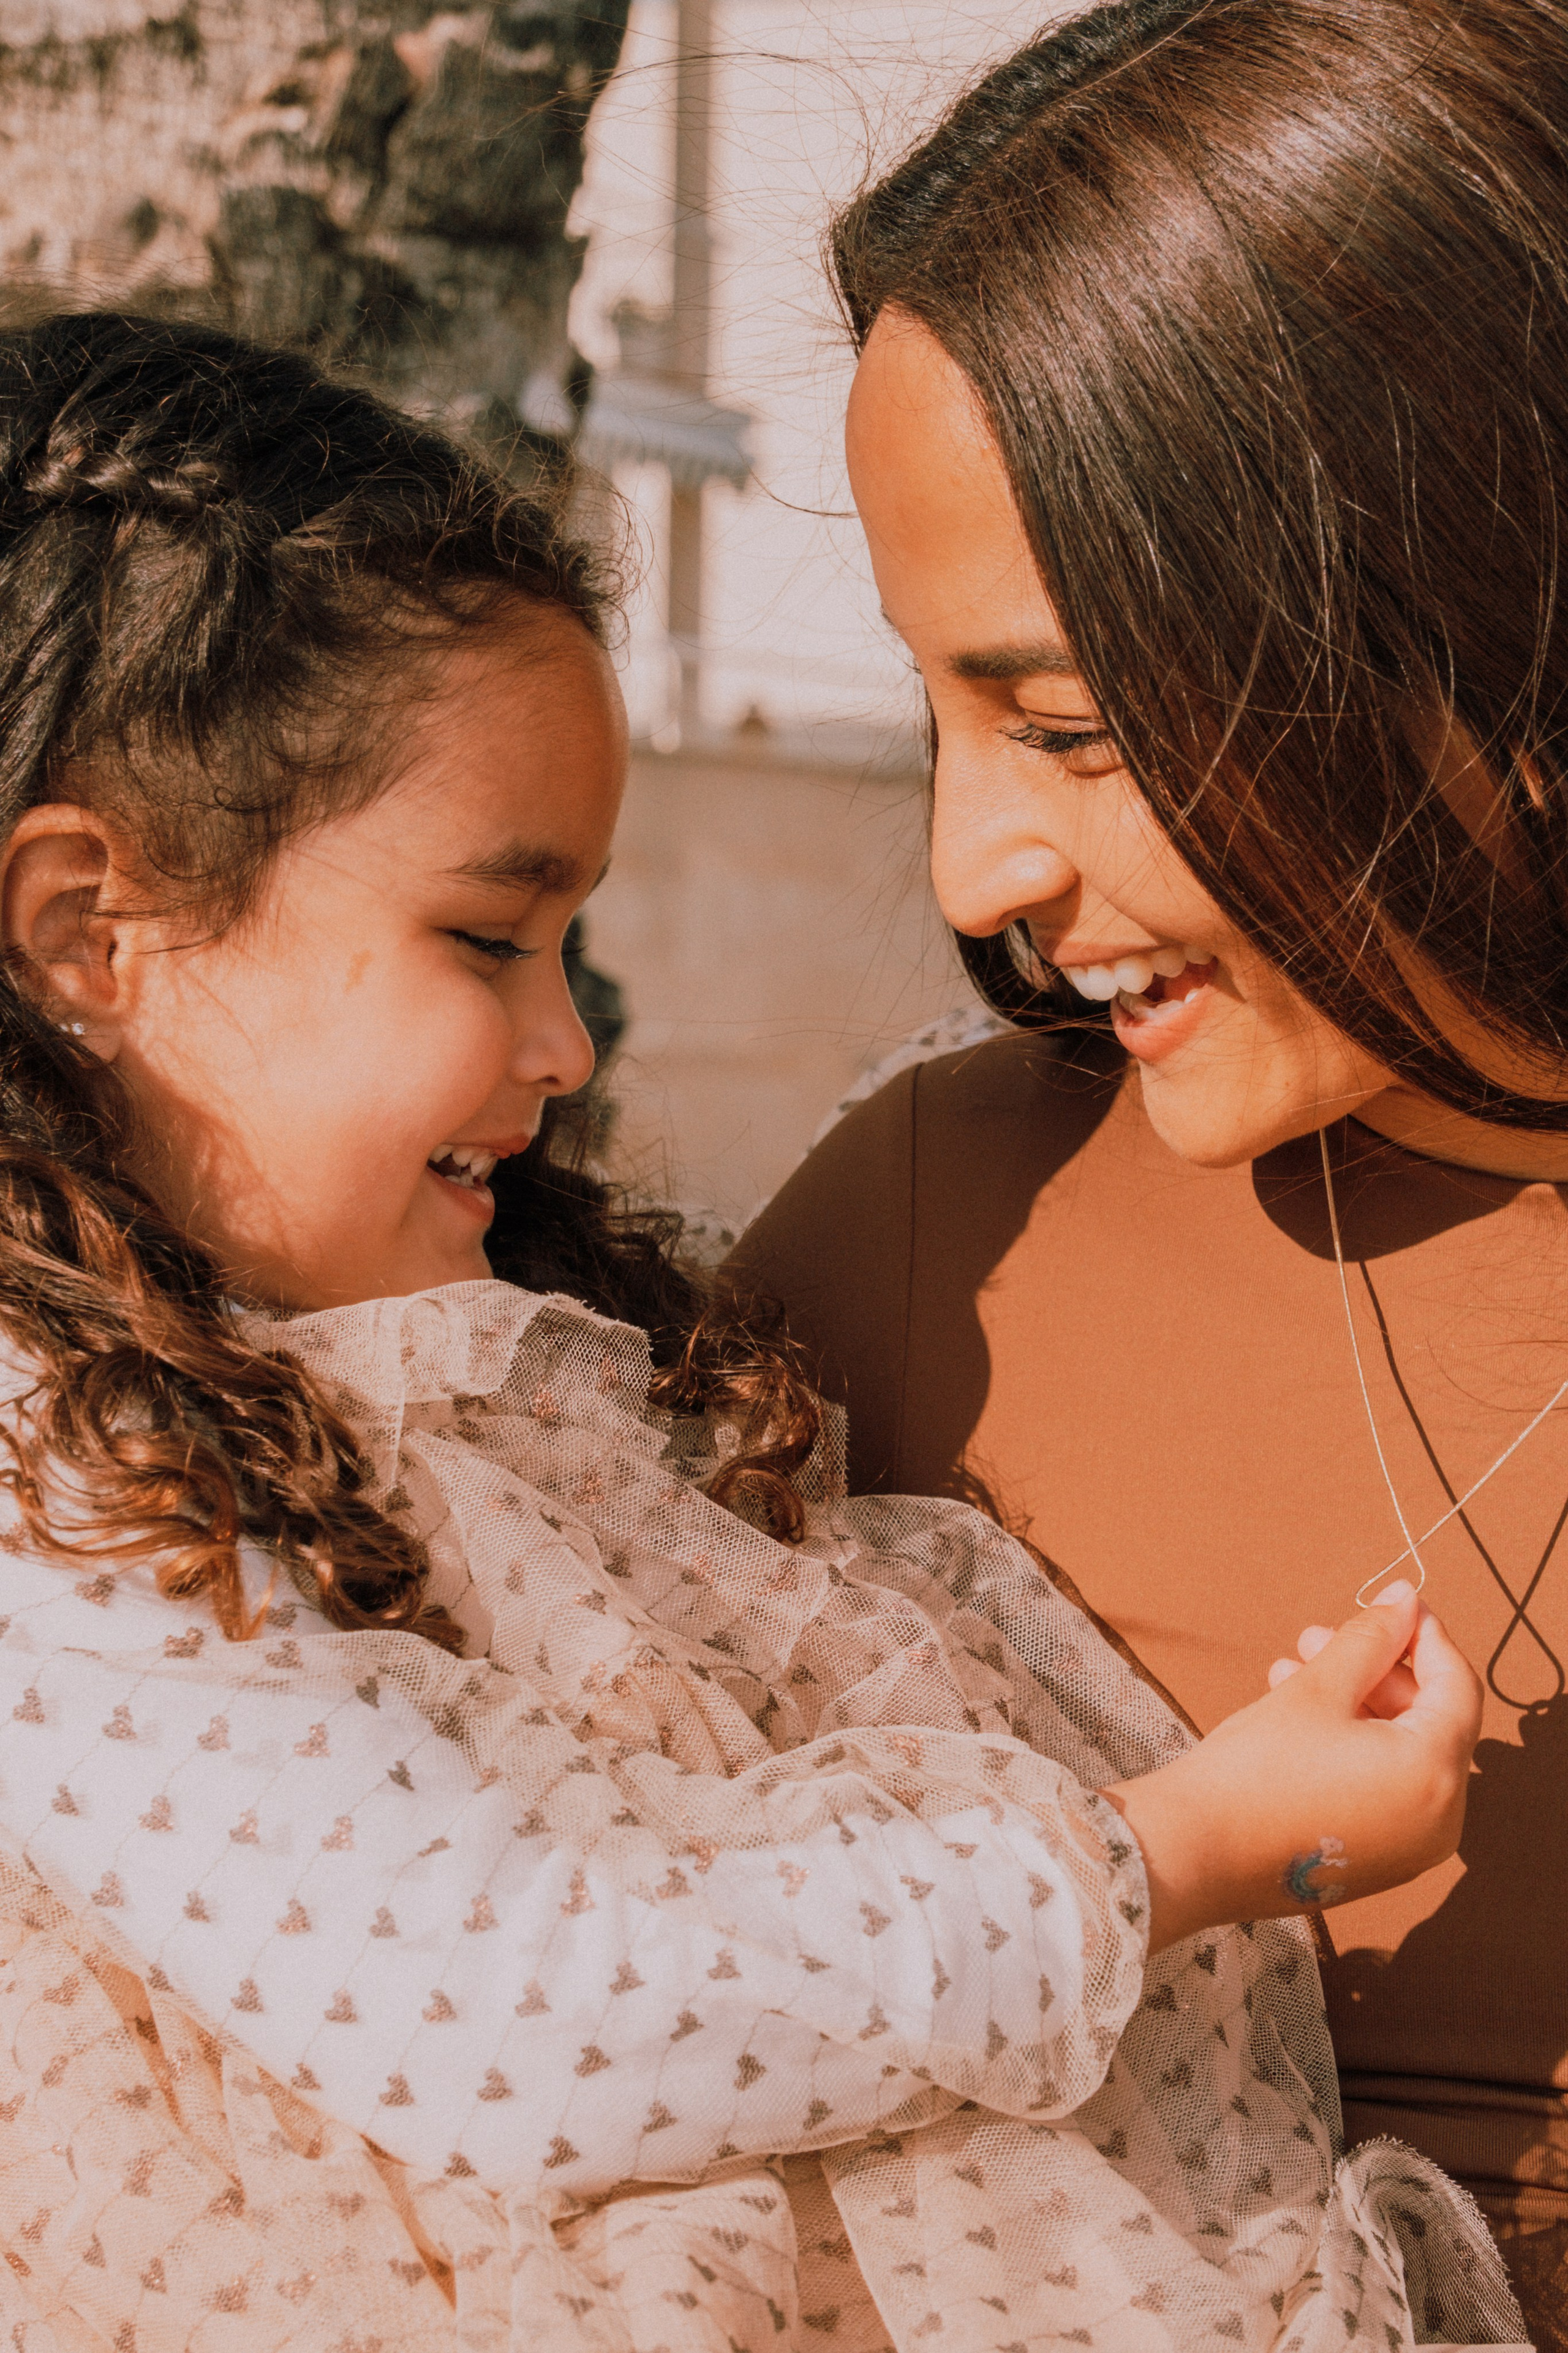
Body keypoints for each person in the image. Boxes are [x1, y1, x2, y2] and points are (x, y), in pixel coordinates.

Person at [0, 309, 1517, 2353]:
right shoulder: (53, 1487)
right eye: (483, 936)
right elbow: (527, 2010)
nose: (562, 1040)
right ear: (93, 931)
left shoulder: (434, 1372)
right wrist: (1172, 1852)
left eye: (570, 942)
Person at [728, 2, 1568, 2347]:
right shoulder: (930, 1246)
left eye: (1071, 726)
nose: (971, 861)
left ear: (1491, 608)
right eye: (943, 709)